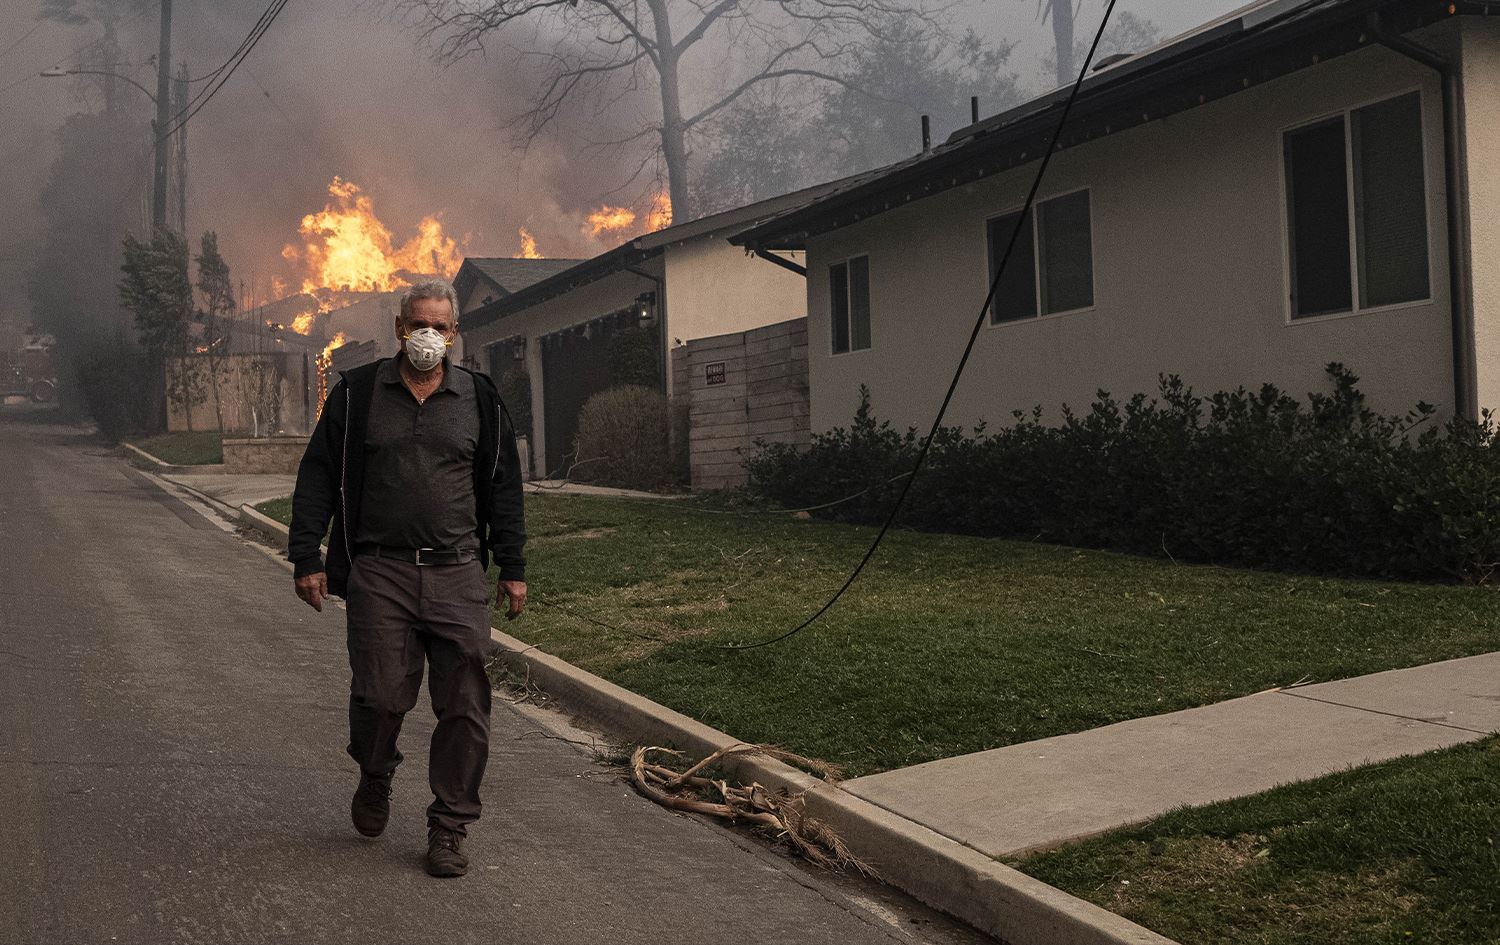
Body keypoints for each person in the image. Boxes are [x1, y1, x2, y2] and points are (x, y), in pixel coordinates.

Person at [287, 279, 527, 878]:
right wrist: (306, 554)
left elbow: (503, 486)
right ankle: (375, 772)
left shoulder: (479, 396)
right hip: (380, 570)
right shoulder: (359, 392)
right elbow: (318, 473)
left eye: (440, 327)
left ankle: (449, 826)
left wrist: (513, 567)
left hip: (457, 572)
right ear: (400, 328)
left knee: (465, 706)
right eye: (418, 324)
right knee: (378, 694)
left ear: (454, 333)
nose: (428, 336)